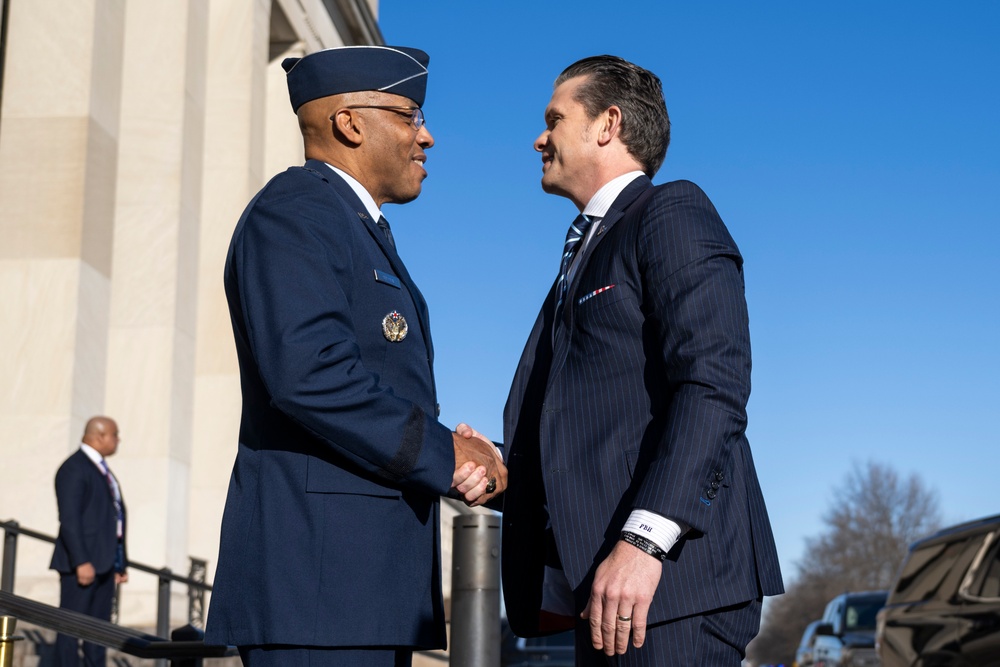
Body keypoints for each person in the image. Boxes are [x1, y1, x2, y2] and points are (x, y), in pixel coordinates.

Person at [203, 45, 506, 667]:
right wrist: (447, 452)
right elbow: (309, 374)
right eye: (409, 116)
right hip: (319, 588)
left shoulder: (342, 221)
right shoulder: (297, 211)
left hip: (359, 590)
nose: (426, 137)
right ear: (351, 123)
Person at [492, 55, 784, 665]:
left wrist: (644, 541)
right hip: (607, 592)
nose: (539, 138)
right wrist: (496, 465)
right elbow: (596, 421)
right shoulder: (582, 255)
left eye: (555, 119)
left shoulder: (671, 211)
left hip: (667, 585)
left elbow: (714, 383)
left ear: (608, 124)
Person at [51, 416, 128, 667]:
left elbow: (113, 518)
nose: (118, 440)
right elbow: (70, 520)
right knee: (71, 630)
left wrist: (119, 562)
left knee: (99, 632)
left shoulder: (102, 469)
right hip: (82, 566)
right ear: (99, 436)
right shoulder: (74, 468)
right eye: (115, 435)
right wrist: (81, 561)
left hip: (105, 565)